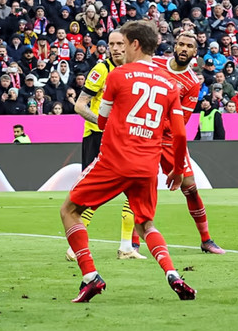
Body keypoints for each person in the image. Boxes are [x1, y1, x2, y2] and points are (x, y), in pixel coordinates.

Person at [60, 21, 195, 303]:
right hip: (148, 165)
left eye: (123, 43)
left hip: (115, 160)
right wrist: (178, 169)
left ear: (135, 44)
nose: (119, 49)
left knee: (69, 210)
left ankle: (90, 277)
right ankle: (173, 274)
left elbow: (104, 120)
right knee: (146, 224)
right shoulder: (170, 84)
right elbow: (181, 132)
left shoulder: (118, 75)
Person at [68, 30, 143, 260]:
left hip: (124, 137)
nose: (117, 48)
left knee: (135, 189)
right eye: (112, 44)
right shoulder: (101, 69)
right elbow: (80, 106)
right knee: (93, 194)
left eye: (121, 43)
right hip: (98, 137)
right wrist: (103, 123)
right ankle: (74, 247)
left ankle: (126, 247)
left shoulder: (134, 69)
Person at [152, 32, 225, 254]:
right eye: (181, 44)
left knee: (191, 188)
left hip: (168, 139)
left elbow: (181, 120)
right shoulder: (154, 63)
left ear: (195, 52)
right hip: (143, 134)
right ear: (174, 46)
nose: (184, 48)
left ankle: (206, 239)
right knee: (140, 186)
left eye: (189, 46)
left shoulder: (192, 82)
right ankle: (131, 243)